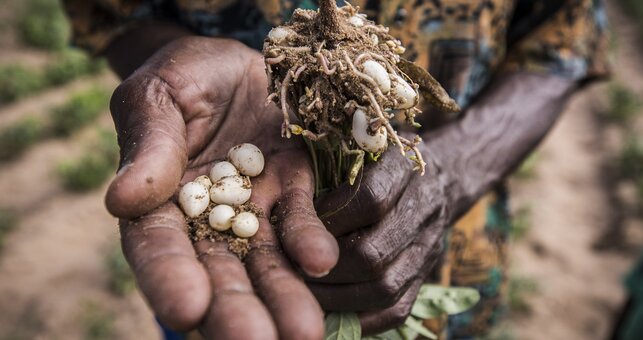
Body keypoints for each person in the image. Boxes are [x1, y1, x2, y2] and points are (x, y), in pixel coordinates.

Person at [62, 0, 609, 339]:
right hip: (233, 269)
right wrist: (177, 57)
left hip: (445, 240)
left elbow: (563, 38)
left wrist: (454, 168)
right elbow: (115, 13)